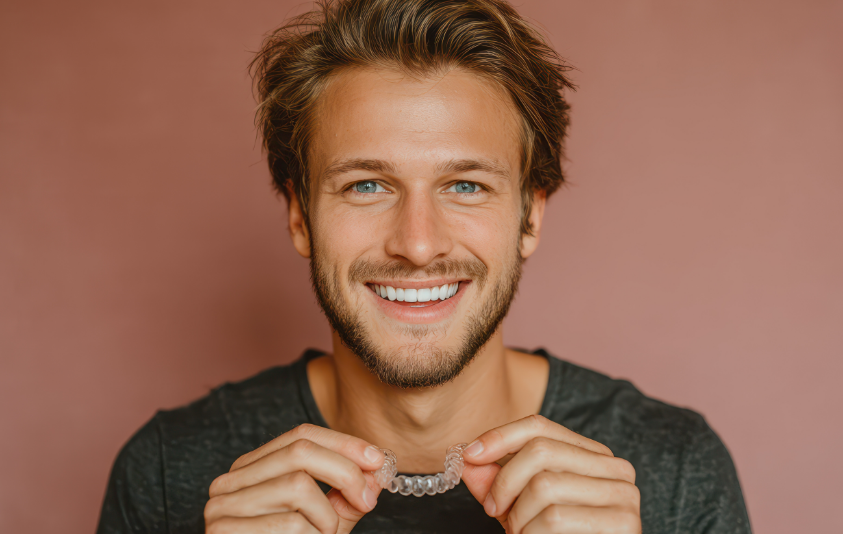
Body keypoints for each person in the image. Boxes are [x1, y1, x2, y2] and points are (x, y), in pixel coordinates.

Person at [97, 1, 751, 532]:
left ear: (530, 217)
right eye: (366, 186)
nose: (416, 244)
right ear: (299, 216)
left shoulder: (671, 468)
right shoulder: (165, 472)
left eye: (464, 186)